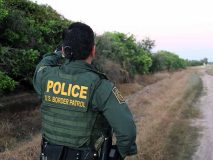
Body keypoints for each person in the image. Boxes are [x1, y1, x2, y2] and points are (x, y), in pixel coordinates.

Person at [33, 22, 137, 160]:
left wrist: (58, 53)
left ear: (64, 50)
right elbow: (127, 132)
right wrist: (118, 154)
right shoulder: (101, 86)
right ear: (93, 50)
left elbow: (42, 65)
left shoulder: (45, 76)